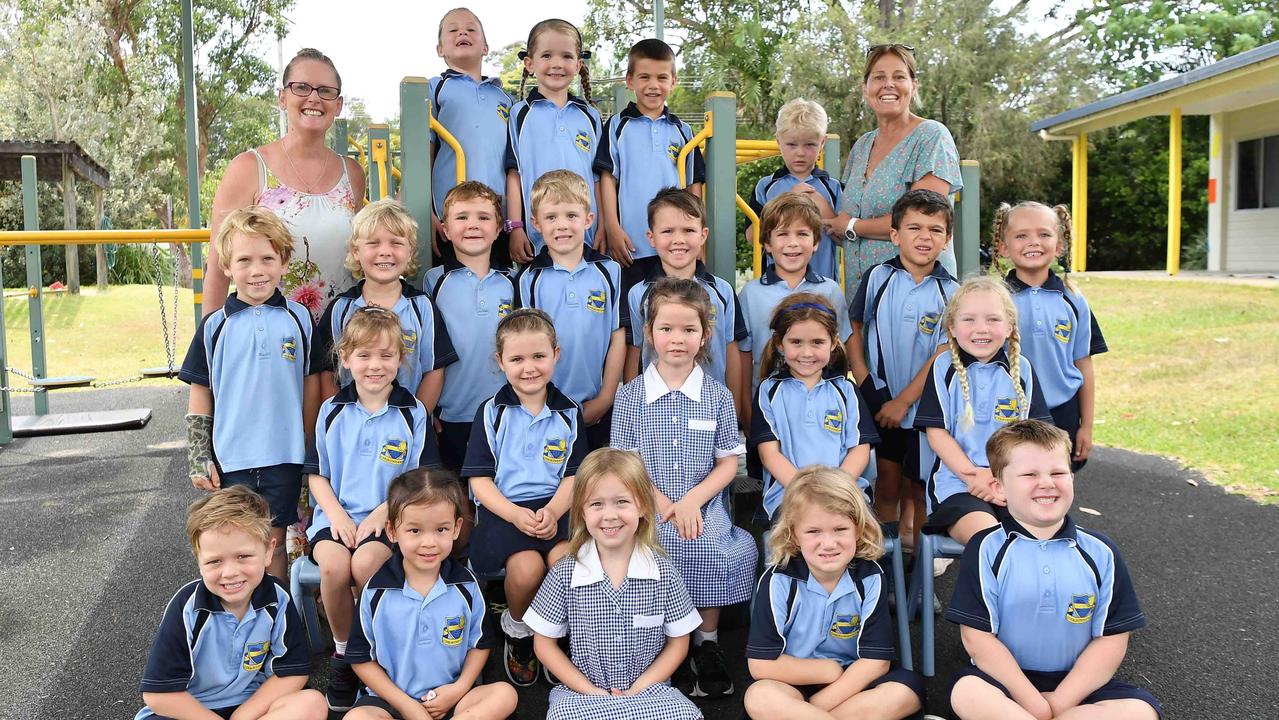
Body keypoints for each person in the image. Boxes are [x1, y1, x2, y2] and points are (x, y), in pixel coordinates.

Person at [946, 421, 1161, 720]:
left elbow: (1112, 640)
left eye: (1058, 473)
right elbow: (977, 639)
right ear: (999, 488)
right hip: (1007, 683)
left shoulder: (1101, 551)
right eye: (1030, 474)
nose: (1046, 483)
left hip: (1079, 686)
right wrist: (1033, 703)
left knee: (1141, 711)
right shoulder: (985, 548)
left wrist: (1060, 702)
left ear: (1071, 478)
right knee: (968, 691)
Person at [611, 277, 758, 699]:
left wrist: (692, 500)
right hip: (644, 500)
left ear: (705, 335)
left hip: (703, 500)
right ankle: (657, 645)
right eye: (667, 329)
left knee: (707, 542)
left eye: (689, 330)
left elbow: (728, 461)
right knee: (651, 548)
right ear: (649, 333)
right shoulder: (631, 396)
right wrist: (662, 504)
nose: (678, 339)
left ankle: (705, 643)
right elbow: (624, 463)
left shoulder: (716, 396)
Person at [306, 307, 442, 711]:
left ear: (400, 359)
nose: (375, 366)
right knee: (333, 566)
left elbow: (418, 480)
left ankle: (375, 655)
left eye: (386, 356)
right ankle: (345, 655)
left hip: (392, 518)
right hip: (337, 516)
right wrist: (338, 517)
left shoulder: (411, 411)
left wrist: (385, 512)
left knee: (366, 566)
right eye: (364, 356)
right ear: (345, 359)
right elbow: (316, 476)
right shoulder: (331, 411)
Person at [181, 207, 313, 582]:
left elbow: (312, 386)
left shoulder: (300, 320)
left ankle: (275, 624)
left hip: (284, 456)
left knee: (272, 543)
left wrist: (308, 446)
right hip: (232, 457)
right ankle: (237, 623)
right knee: (235, 545)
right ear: (226, 266)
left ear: (283, 263)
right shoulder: (214, 326)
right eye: (245, 260)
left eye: (267, 258)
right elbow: (200, 392)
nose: (257, 270)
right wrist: (198, 455)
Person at [524, 448, 705, 720]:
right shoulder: (566, 573)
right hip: (583, 694)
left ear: (643, 505)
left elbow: (678, 643)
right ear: (582, 511)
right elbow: (544, 645)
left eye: (621, 502)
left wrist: (638, 689)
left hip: (649, 693)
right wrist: (590, 691)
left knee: (686, 715)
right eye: (596, 504)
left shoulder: (663, 572)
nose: (609, 515)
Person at [461, 308, 588, 687]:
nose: (529, 368)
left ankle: (554, 635)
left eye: (538, 357)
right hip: (504, 510)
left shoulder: (569, 412)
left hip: (557, 507)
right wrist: (516, 515)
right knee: (528, 569)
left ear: (556, 355)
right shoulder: (491, 412)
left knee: (566, 562)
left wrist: (552, 509)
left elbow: (575, 475)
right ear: (500, 362)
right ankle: (519, 632)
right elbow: (480, 481)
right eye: (517, 359)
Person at [744, 466, 924, 720]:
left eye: (840, 529)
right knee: (760, 696)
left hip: (853, 681)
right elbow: (761, 664)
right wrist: (828, 671)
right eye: (813, 531)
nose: (828, 543)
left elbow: (876, 661)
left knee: (904, 692)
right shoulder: (778, 581)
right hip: (793, 683)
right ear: (794, 534)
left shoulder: (870, 576)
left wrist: (813, 707)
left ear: (859, 529)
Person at [136, 486, 325, 720]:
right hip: (189, 711)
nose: (230, 572)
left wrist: (241, 716)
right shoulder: (187, 607)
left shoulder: (277, 598)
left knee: (312, 703)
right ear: (198, 560)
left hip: (251, 704)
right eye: (214, 561)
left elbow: (292, 672)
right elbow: (159, 694)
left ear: (268, 551)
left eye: (243, 557)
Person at [345, 468, 518, 720]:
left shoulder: (466, 586)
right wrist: (407, 706)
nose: (429, 542)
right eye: (415, 531)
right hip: (393, 701)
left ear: (456, 528)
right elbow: (361, 659)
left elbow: (479, 645)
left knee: (504, 694)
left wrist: (458, 689)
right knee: (356, 719)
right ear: (392, 531)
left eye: (441, 530)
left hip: (451, 698)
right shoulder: (376, 590)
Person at [206, 48, 364, 316]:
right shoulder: (248, 168)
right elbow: (218, 266)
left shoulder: (353, 174)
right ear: (282, 97)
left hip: (342, 338)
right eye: (301, 87)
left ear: (338, 105)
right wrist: (209, 345)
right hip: (269, 339)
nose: (314, 98)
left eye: (325, 91)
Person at [848, 189, 958, 548]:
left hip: (924, 410)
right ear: (895, 235)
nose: (924, 237)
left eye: (935, 229)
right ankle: (883, 558)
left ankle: (919, 570)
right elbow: (853, 330)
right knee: (888, 485)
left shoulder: (951, 291)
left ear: (947, 239)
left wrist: (904, 403)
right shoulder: (877, 277)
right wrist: (866, 384)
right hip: (880, 402)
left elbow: (944, 352)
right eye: (914, 227)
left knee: (920, 487)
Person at [915, 276, 1051, 546]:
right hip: (959, 484)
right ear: (951, 327)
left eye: (993, 319)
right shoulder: (943, 369)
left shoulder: (1021, 370)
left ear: (1010, 326)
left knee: (1040, 538)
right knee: (991, 541)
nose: (981, 329)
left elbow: (1036, 438)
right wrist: (973, 475)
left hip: (1013, 482)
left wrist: (1002, 478)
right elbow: (937, 435)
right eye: (969, 320)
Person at [823, 44, 961, 294]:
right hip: (863, 295)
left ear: (913, 86)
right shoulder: (862, 145)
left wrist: (853, 226)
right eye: (878, 77)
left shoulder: (931, 137)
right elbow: (845, 226)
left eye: (899, 76)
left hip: (917, 292)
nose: (888, 84)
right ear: (865, 89)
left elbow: (925, 221)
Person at [310, 199, 457, 416]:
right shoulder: (341, 309)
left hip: (405, 432)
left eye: (396, 243)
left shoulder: (422, 307)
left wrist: (417, 418)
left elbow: (434, 371)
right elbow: (328, 372)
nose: (385, 252)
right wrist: (340, 418)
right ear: (356, 251)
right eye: (373, 243)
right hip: (353, 427)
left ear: (410, 251)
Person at [514, 170, 624, 450]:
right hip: (545, 407)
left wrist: (605, 399)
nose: (562, 225)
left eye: (571, 216)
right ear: (536, 223)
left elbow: (617, 338)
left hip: (598, 408)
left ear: (588, 220)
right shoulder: (528, 279)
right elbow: (525, 345)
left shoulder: (610, 271)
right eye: (551, 217)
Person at [994, 202, 1107, 473]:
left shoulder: (1074, 300)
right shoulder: (994, 298)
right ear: (1003, 247)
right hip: (1007, 411)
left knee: (1054, 484)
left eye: (1044, 234)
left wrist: (1086, 427)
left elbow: (1084, 365)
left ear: (1059, 245)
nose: (1034, 242)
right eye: (1021, 235)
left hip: (1062, 412)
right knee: (1010, 483)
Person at [622, 188, 748, 418]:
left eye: (688, 230)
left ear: (703, 234)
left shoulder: (722, 292)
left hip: (710, 409)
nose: (678, 240)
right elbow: (635, 351)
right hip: (655, 411)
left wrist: (734, 407)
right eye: (668, 231)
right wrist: (632, 407)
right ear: (651, 237)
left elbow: (731, 350)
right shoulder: (638, 294)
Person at [751, 293, 877, 520]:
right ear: (780, 343)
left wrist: (836, 489)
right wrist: (807, 492)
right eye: (796, 342)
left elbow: (859, 449)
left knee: (843, 527)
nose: (806, 353)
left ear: (834, 342)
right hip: (789, 495)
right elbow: (769, 454)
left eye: (817, 342)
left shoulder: (846, 391)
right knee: (809, 525)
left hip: (844, 492)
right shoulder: (768, 392)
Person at [425, 181, 515, 473]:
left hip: (507, 411)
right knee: (459, 501)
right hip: (452, 414)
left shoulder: (514, 281)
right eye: (462, 217)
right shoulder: (433, 281)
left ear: (499, 228)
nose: (473, 225)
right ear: (446, 230)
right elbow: (427, 350)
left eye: (484, 217)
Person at [595, 38, 705, 270]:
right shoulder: (617, 126)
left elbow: (694, 185)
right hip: (631, 244)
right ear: (630, 80)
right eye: (644, 77)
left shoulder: (683, 130)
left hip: (676, 245)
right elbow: (607, 178)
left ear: (673, 81)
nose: (653, 85)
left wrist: (695, 237)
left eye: (662, 77)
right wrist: (612, 228)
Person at [505, 18, 603, 262]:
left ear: (579, 64)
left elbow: (599, 177)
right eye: (547, 55)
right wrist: (516, 226)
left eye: (567, 57)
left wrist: (603, 227)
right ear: (529, 63)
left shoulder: (590, 116)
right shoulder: (520, 113)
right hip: (538, 236)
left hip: (585, 233)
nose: (557, 64)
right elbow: (514, 173)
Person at [738, 192, 852, 397]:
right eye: (783, 234)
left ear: (816, 242)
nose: (793, 243)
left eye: (802, 234)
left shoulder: (830, 290)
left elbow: (840, 351)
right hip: (766, 405)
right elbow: (744, 357)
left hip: (820, 404)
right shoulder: (751, 294)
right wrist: (747, 412)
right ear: (767, 244)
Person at [429, 7, 514, 270]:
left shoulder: (505, 99)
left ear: (485, 47)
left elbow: (514, 165)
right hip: (452, 214)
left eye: (470, 29)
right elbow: (423, 152)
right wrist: (427, 212)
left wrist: (514, 220)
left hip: (496, 215)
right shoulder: (435, 87)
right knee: (451, 282)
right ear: (440, 49)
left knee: (500, 284)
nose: (462, 32)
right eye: (453, 30)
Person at [749, 98, 843, 281]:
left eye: (809, 145)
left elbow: (843, 239)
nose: (800, 153)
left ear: (822, 143)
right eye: (792, 144)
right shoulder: (766, 186)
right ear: (778, 141)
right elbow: (753, 238)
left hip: (821, 287)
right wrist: (787, 202)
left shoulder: (833, 187)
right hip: (776, 287)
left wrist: (820, 202)